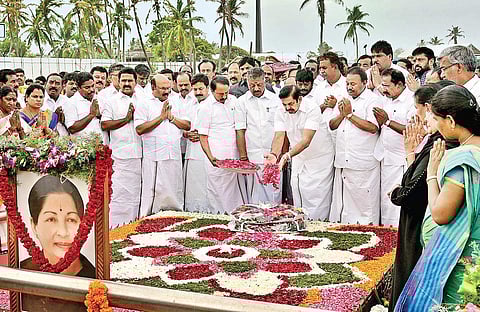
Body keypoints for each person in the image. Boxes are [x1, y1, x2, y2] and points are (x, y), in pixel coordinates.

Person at [395, 85, 480, 310]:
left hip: (466, 258)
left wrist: (432, 173)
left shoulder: (463, 160)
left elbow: (441, 214)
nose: (433, 125)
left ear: (450, 121)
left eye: (435, 118)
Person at [387, 81, 456, 311]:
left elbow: (411, 195)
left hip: (419, 229)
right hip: (420, 224)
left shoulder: (440, 146)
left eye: (420, 110)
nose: (419, 117)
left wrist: (396, 191)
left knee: (412, 287)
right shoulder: (435, 144)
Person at [20, 175, 95, 312]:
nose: (63, 232)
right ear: (34, 225)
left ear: (83, 223)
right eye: (51, 219)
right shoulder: (18, 276)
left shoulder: (96, 282)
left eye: (71, 219)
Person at [266, 85, 334, 220]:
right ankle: (301, 226)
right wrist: (274, 154)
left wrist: (287, 155)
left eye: (291, 103)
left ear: (300, 99)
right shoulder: (280, 111)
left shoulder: (312, 109)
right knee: (297, 191)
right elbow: (279, 135)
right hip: (298, 156)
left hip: (319, 158)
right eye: (284, 104)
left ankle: (317, 227)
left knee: (316, 195)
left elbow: (306, 140)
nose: (287, 108)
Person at [329, 67, 381, 225]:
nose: (349, 87)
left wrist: (350, 115)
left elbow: (373, 127)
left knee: (366, 204)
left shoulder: (373, 100)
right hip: (344, 160)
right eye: (347, 83)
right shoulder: (344, 98)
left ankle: (368, 232)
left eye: (353, 84)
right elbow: (332, 125)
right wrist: (342, 114)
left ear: (365, 83)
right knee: (346, 207)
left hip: (363, 162)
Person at [135, 74, 190, 216]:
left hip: (173, 154)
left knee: (174, 190)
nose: (166, 91)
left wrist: (171, 118)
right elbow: (140, 129)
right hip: (154, 156)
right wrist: (161, 118)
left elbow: (187, 125)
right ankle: (148, 220)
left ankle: (175, 217)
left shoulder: (176, 102)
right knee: (153, 191)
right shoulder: (143, 103)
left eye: (168, 88)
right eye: (162, 88)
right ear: (153, 87)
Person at [373, 68, 415, 226]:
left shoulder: (410, 101)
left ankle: (397, 234)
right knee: (386, 201)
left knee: (398, 202)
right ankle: (387, 233)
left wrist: (388, 122)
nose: (383, 89)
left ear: (399, 85)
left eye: (387, 85)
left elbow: (412, 130)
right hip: (386, 157)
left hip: (402, 160)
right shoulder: (386, 98)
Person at [101, 67, 142, 227]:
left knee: (137, 194)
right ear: (117, 82)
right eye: (123, 80)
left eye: (129, 80)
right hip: (120, 155)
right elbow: (104, 124)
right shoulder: (112, 102)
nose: (126, 84)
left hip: (142, 154)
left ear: (135, 82)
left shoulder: (143, 99)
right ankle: (117, 228)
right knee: (120, 193)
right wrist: (126, 119)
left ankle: (135, 226)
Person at [197, 76, 243, 214]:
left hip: (233, 155)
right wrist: (211, 157)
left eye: (226, 93)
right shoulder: (205, 107)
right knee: (217, 190)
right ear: (211, 91)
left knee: (233, 190)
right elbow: (203, 136)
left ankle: (234, 216)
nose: (224, 96)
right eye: (220, 93)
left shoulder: (233, 101)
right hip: (216, 156)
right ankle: (219, 218)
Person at [235, 68, 282, 204]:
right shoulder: (242, 102)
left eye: (259, 85)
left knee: (273, 192)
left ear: (264, 81)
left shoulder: (276, 100)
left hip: (273, 154)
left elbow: (281, 130)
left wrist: (279, 154)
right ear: (247, 83)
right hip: (252, 155)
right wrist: (243, 157)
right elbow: (240, 130)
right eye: (252, 85)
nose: (256, 88)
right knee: (254, 197)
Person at [183, 74, 210, 212]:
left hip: (208, 153)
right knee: (193, 187)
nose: (198, 92)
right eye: (195, 89)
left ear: (208, 88)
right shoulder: (190, 104)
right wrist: (186, 133)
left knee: (207, 188)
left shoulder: (213, 104)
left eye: (201, 89)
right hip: (192, 151)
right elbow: (184, 124)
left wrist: (201, 136)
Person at [64, 72, 103, 139]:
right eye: (87, 87)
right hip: (83, 147)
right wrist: (91, 115)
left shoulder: (101, 98)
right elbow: (72, 129)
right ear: (78, 88)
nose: (91, 90)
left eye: (93, 86)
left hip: (102, 145)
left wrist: (99, 116)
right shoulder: (71, 103)